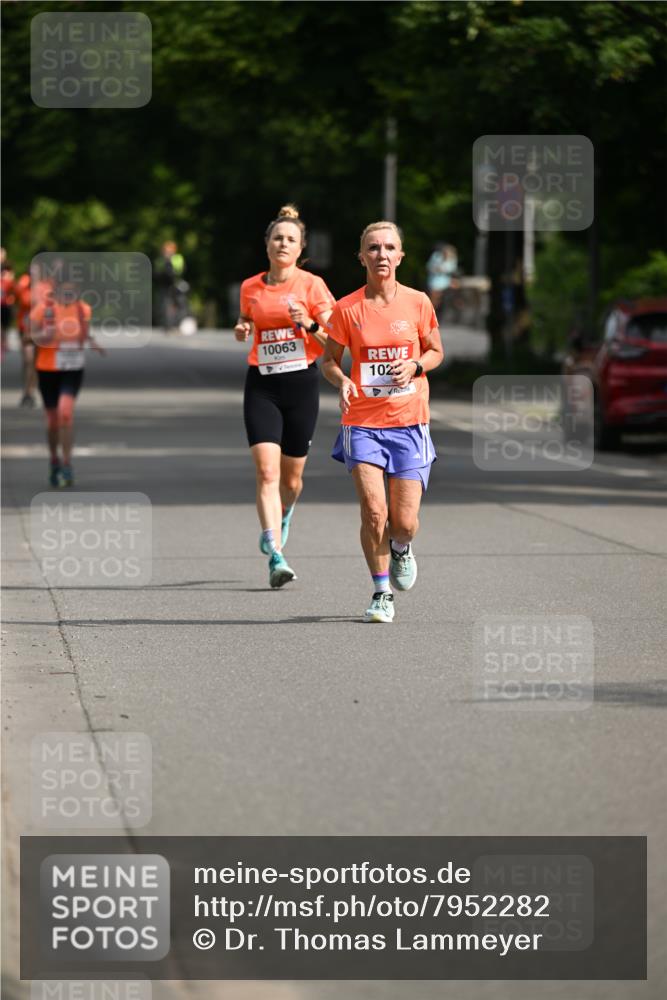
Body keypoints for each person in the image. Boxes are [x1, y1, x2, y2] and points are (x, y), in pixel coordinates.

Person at [321, 220, 444, 623]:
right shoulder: (347, 308)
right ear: (362, 257)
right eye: (373, 248)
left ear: (401, 255)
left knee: (403, 522)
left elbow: (435, 352)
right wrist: (341, 381)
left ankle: (401, 548)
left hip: (410, 422)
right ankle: (380, 592)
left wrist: (416, 365)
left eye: (389, 248)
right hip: (362, 422)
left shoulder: (418, 302)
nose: (382, 255)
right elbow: (329, 361)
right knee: (374, 512)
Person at [235, 204, 335, 588]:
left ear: (300, 248)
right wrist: (242, 328)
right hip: (262, 383)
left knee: (292, 480)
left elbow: (334, 338)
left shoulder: (312, 286)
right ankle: (276, 553)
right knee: (266, 472)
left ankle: (286, 509)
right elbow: (246, 319)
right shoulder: (250, 286)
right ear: (267, 245)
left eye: (291, 239)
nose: (283, 243)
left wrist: (307, 323)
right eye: (277, 237)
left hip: (301, 385)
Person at [29, 280, 105, 487]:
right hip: (47, 368)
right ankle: (54, 459)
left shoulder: (82, 309)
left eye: (73, 292)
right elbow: (30, 335)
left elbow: (84, 331)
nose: (69, 296)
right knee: (53, 420)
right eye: (66, 292)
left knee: (65, 412)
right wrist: (41, 337)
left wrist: (92, 342)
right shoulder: (42, 309)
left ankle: (67, 463)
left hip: (72, 367)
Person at [14, 260, 52, 407]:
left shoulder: (47, 286)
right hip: (24, 327)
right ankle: (26, 390)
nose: (33, 273)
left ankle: (31, 392)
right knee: (27, 359)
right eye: (31, 270)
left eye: (36, 270)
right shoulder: (22, 284)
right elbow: (14, 302)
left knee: (35, 361)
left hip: (40, 328)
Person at [154, 241, 189, 331]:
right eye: (165, 250)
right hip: (164, 286)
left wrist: (170, 265)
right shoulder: (160, 260)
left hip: (176, 285)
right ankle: (168, 325)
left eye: (169, 250)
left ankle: (177, 324)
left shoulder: (178, 258)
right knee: (165, 305)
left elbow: (181, 271)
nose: (167, 252)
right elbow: (156, 273)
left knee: (181, 305)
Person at [426, 242, 458, 317]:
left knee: (457, 288)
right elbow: (429, 267)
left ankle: (453, 308)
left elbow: (451, 269)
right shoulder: (436, 256)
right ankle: (432, 311)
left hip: (445, 282)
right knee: (435, 294)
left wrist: (440, 269)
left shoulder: (452, 258)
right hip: (435, 281)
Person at [1, 249, 15, 362]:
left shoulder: (8, 267)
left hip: (5, 302)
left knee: (5, 325)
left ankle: (4, 342)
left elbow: (12, 284)